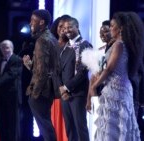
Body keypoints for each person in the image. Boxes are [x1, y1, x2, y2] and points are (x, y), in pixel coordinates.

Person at [87, 11, 144, 141]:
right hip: (118, 88)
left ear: (121, 28)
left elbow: (109, 69)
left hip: (116, 89)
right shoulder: (122, 44)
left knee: (113, 126)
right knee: (114, 125)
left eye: (112, 25)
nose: (110, 28)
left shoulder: (119, 44)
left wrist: (94, 86)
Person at [23, 9, 59, 141]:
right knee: (46, 125)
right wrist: (30, 65)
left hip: (42, 90)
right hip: (47, 88)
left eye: (33, 20)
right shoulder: (50, 38)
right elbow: (44, 67)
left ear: (42, 22)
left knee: (45, 126)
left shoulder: (42, 41)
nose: (30, 23)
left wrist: (35, 93)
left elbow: (43, 71)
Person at [58, 17, 92, 141]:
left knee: (80, 127)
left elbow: (83, 71)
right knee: (69, 128)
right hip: (64, 95)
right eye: (65, 28)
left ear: (77, 27)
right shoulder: (64, 47)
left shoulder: (85, 45)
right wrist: (62, 89)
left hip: (78, 94)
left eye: (70, 27)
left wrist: (67, 87)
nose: (67, 30)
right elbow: (59, 70)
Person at [0, 39, 22, 141]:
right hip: (0, 96)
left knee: (13, 122)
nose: (4, 49)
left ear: (12, 48)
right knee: (1, 121)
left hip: (12, 96)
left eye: (6, 47)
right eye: (2, 47)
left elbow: (10, 75)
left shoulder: (17, 60)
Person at [50, 14, 71, 141]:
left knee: (68, 128)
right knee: (54, 125)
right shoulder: (50, 45)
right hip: (53, 93)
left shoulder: (73, 46)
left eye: (66, 26)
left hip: (69, 93)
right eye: (60, 26)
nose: (63, 29)